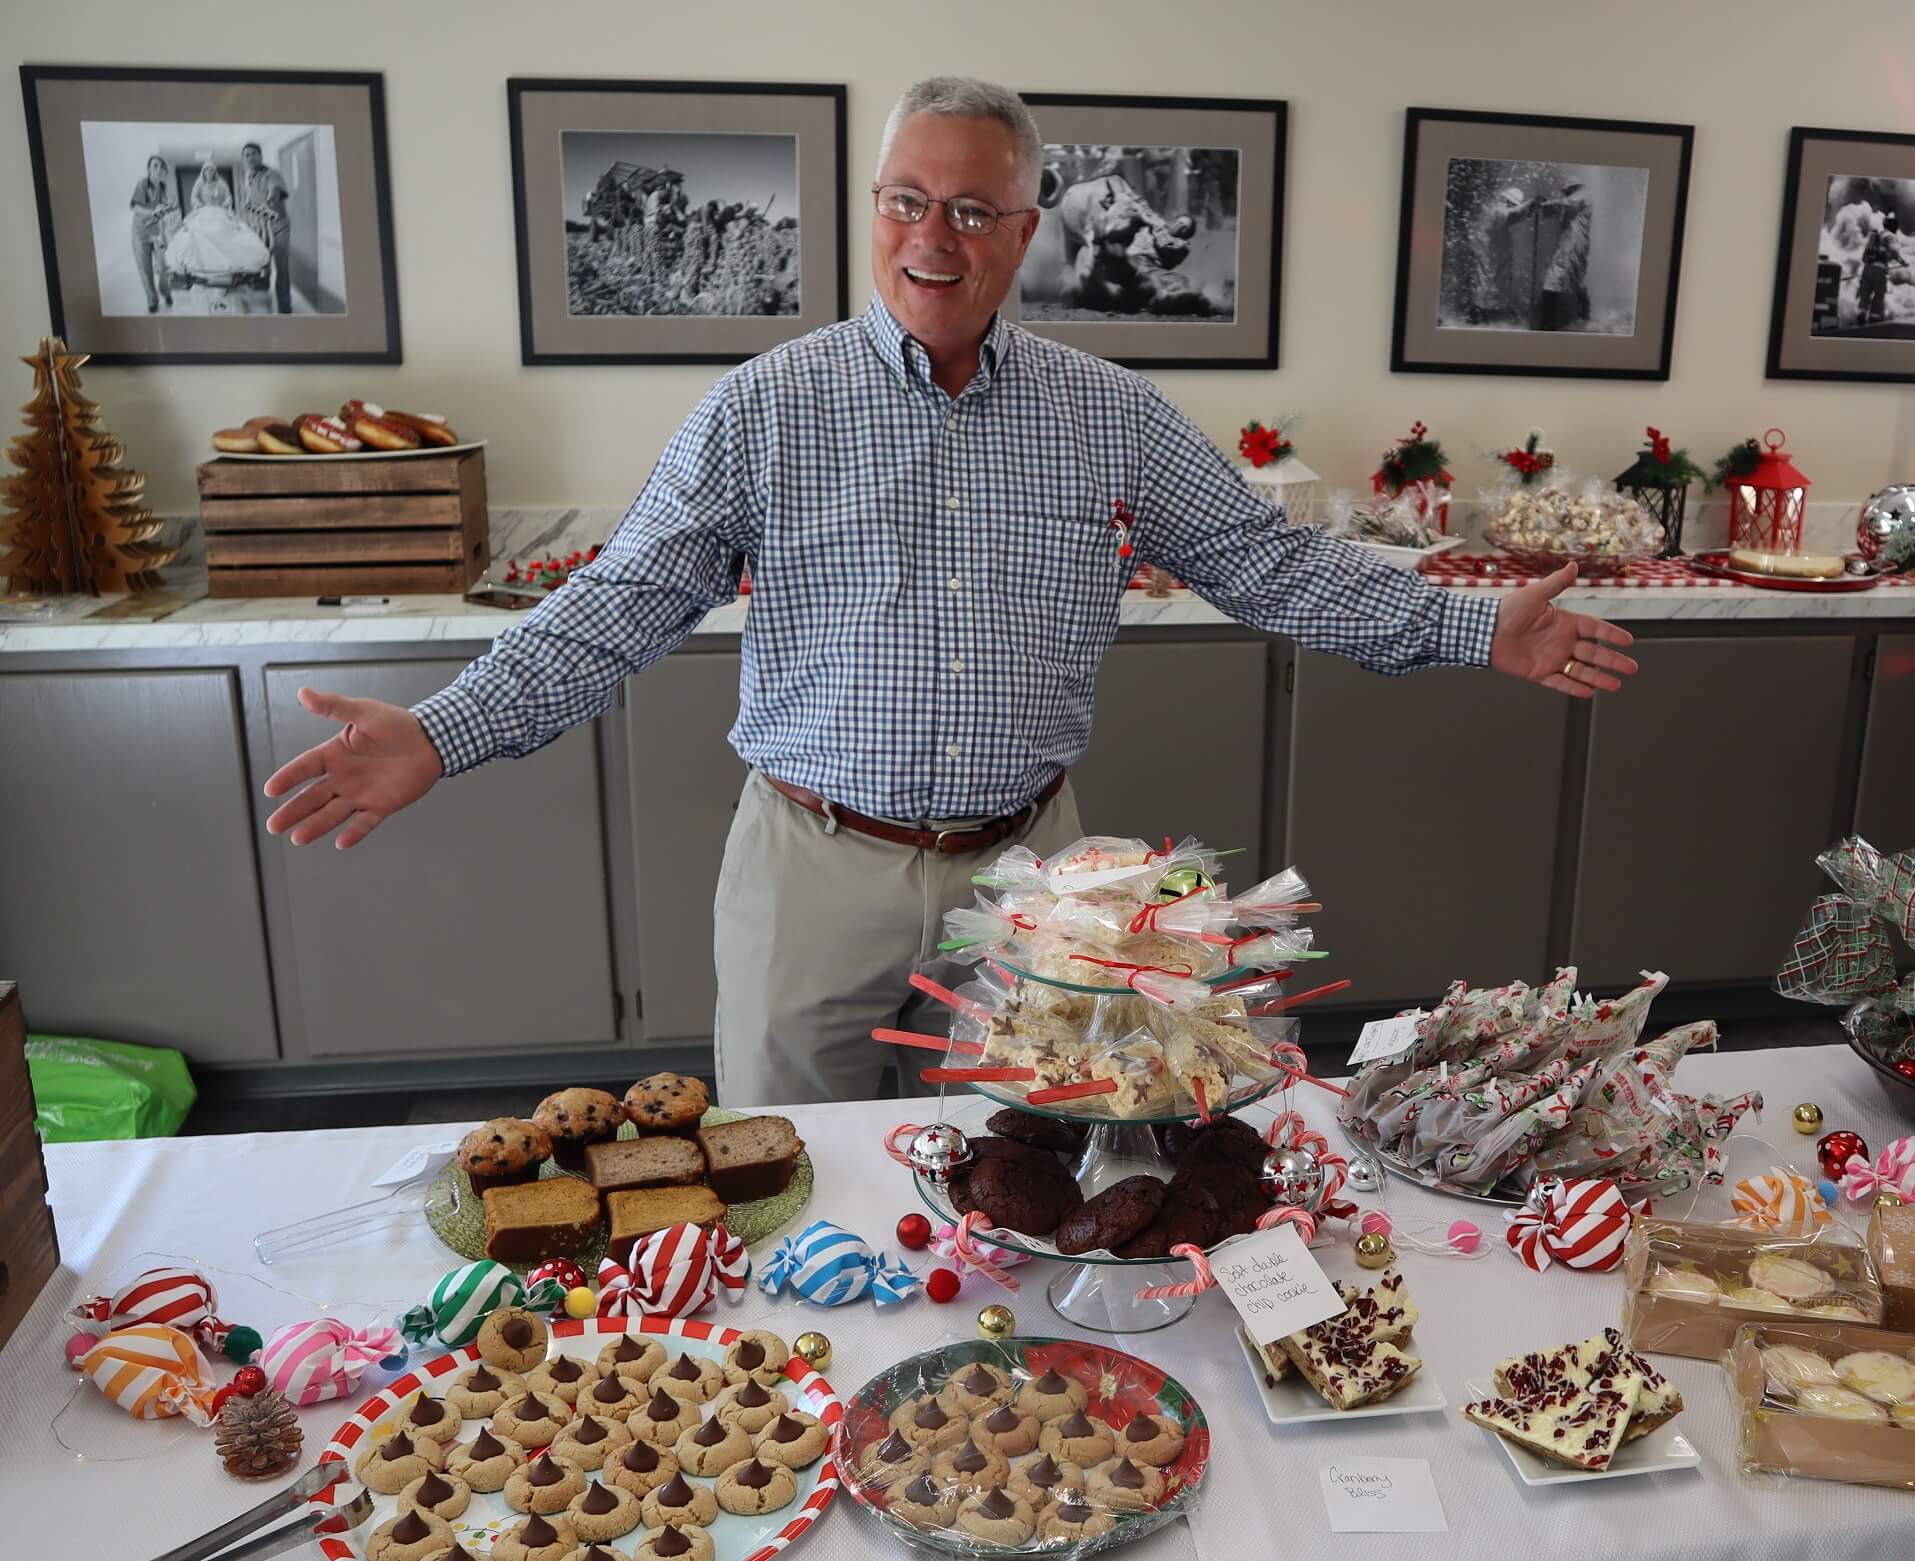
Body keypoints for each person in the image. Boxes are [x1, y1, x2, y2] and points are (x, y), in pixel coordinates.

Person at [261, 77, 1638, 1108]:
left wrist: (1469, 623)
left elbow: (1267, 562)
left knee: (1012, 1175)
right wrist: (441, 730)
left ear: (1026, 230)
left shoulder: (1109, 414)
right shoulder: (764, 410)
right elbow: (617, 608)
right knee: (790, 1187)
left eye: (974, 209)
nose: (937, 235)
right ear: (876, 213)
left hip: (1034, 880)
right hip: (812, 867)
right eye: (910, 201)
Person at [165, 158, 270, 278]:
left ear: (214, 172)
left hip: (219, 211)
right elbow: (194, 197)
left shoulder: (221, 184)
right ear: (203, 172)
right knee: (196, 231)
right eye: (206, 171)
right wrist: (199, 204)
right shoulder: (199, 184)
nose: (209, 173)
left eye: (211, 171)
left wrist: (226, 203)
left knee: (222, 228)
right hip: (204, 211)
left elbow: (228, 196)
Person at [239, 142, 292, 314]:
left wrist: (271, 198)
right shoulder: (249, 177)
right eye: (246, 155)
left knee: (282, 268)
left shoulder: (271, 173)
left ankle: (285, 307)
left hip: (278, 226)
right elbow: (249, 200)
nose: (250, 157)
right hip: (260, 227)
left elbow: (275, 189)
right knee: (263, 263)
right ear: (243, 159)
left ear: (260, 156)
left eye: (254, 153)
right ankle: (265, 302)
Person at [1533, 180, 1592, 331]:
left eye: (1566, 190)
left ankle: (1547, 323)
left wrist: (1542, 204)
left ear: (1573, 188)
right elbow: (1555, 209)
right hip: (1575, 245)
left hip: (1571, 246)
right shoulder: (1575, 200)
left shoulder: (1581, 197)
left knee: (1553, 279)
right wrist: (1539, 206)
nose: (1564, 193)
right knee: (1577, 279)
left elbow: (1563, 204)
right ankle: (1584, 315)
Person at [1468, 185, 1529, 324]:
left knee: (1489, 281)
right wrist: (1530, 204)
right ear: (1509, 201)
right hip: (1484, 251)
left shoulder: (1495, 208)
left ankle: (1483, 312)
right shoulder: (1498, 209)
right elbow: (1511, 214)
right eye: (1512, 203)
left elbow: (1515, 216)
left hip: (1485, 250)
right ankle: (1477, 314)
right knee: (1484, 281)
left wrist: (1529, 209)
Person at [128, 154, 178, 314]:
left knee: (163, 266)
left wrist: (167, 209)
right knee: (146, 269)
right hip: (140, 233)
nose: (158, 169)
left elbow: (161, 211)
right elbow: (135, 207)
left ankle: (166, 292)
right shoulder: (143, 184)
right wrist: (153, 211)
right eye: (155, 166)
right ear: (149, 169)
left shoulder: (162, 188)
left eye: (161, 166)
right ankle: (152, 299)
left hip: (156, 232)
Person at [1858, 213, 1898, 326]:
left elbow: (1864, 256)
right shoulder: (1890, 236)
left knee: (1865, 294)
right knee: (1879, 294)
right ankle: (1874, 318)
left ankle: (1861, 313)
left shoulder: (1875, 236)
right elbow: (1894, 252)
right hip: (1879, 271)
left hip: (1867, 269)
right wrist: (1902, 262)